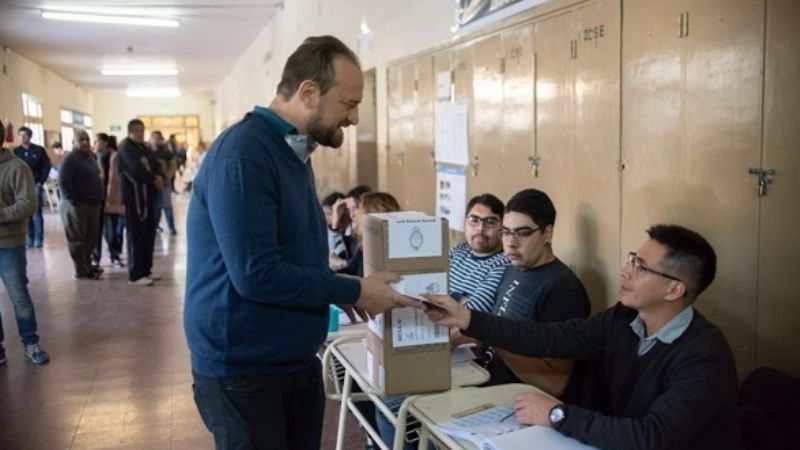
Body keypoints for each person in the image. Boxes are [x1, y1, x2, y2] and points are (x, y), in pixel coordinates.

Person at [184, 35, 419, 450]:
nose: (354, 118)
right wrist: (355, 291)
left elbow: (292, 251)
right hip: (246, 371)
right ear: (308, 93)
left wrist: (340, 288)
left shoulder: (291, 151)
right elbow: (256, 274)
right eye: (348, 104)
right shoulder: (244, 154)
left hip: (290, 359)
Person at [423, 224, 743, 450]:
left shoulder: (704, 356)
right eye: (632, 259)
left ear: (674, 290)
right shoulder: (623, 318)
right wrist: (466, 319)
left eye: (642, 268)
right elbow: (551, 338)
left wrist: (558, 414)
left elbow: (651, 437)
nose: (625, 271)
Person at [377, 189, 589, 450]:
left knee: (404, 415)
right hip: (481, 375)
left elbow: (553, 385)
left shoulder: (562, 290)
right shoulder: (513, 269)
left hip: (515, 399)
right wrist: (468, 338)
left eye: (522, 233)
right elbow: (494, 339)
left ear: (547, 233)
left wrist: (487, 335)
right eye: (506, 232)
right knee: (388, 396)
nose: (511, 243)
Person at [0, 119, 49, 365]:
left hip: (8, 244)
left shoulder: (17, 167)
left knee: (19, 297)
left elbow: (28, 204)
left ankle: (31, 343)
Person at [118, 119, 164, 286]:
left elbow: (155, 163)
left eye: (142, 131)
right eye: (137, 131)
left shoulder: (143, 148)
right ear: (130, 132)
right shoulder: (125, 149)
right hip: (135, 199)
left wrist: (160, 176)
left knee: (148, 234)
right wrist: (153, 179)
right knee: (136, 236)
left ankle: (146, 269)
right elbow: (135, 170)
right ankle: (135, 274)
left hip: (148, 197)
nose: (140, 134)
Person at [448, 193, 509, 313]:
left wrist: (442, 296)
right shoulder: (457, 251)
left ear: (502, 228)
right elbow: (424, 289)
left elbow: (471, 314)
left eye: (490, 222)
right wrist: (461, 299)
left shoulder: (504, 265)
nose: (480, 228)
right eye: (474, 220)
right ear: (464, 224)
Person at [58, 130, 104, 280]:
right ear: (73, 143)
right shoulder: (69, 159)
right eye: (81, 140)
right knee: (78, 239)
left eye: (87, 139)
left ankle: (87, 265)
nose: (85, 142)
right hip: (77, 206)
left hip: (92, 204)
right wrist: (74, 201)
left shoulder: (90, 157)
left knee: (91, 238)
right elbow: (63, 181)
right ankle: (81, 270)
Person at [13, 126, 51, 248]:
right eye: (20, 135)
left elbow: (47, 166)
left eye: (24, 135)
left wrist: (41, 181)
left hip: (36, 184)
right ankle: (30, 237)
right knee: (26, 213)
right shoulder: (16, 152)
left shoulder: (39, 150)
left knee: (37, 212)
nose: (22, 138)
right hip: (22, 186)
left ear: (29, 137)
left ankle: (39, 238)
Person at [91, 133, 122, 267]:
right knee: (95, 231)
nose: (94, 144)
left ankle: (114, 256)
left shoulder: (113, 157)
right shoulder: (91, 157)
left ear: (105, 142)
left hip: (109, 198)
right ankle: (95, 258)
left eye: (97, 141)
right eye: (94, 141)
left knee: (111, 231)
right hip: (95, 198)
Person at [150, 131, 177, 235]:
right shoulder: (147, 152)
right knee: (155, 207)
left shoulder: (166, 153)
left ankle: (171, 227)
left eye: (158, 138)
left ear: (161, 139)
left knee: (166, 206)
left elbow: (173, 166)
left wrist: (167, 177)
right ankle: (155, 226)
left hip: (165, 184)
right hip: (152, 184)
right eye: (154, 138)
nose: (156, 140)